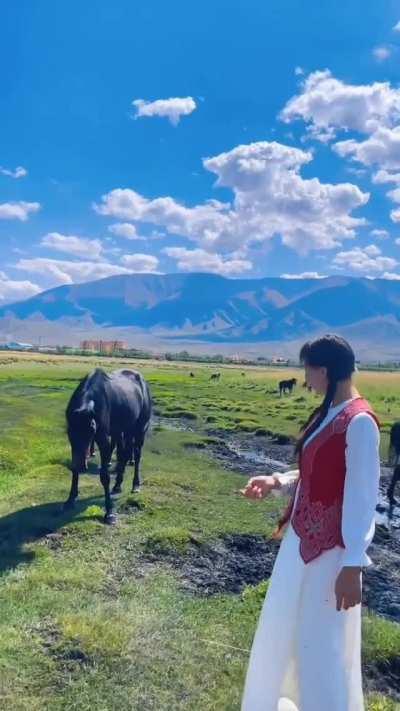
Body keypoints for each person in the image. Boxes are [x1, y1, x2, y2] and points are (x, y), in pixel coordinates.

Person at [240, 334, 380, 711]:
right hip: (301, 546)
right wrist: (277, 481)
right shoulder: (329, 413)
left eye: (308, 370)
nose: (306, 379)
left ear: (324, 370)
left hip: (331, 555)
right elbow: (316, 473)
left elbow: (363, 495)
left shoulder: (360, 422)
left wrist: (353, 562)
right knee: (288, 627)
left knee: (324, 642)